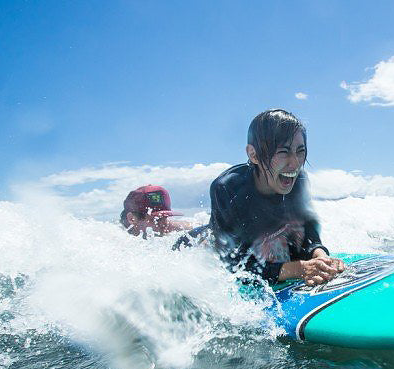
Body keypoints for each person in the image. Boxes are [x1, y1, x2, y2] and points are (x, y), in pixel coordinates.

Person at [178, 109, 345, 286]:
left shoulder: (299, 181)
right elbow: (233, 266)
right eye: (284, 152)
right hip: (200, 243)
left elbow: (306, 235)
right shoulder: (229, 188)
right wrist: (300, 268)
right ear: (254, 155)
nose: (295, 163)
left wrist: (321, 258)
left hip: (263, 236)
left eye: (300, 151)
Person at [120, 185, 192, 237]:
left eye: (165, 218)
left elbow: (193, 226)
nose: (164, 225)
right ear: (132, 219)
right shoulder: (117, 240)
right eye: (156, 220)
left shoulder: (166, 226)